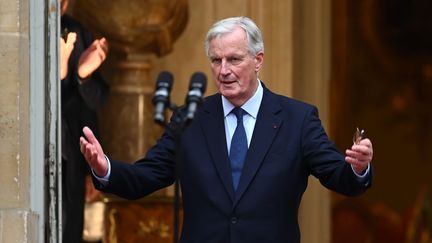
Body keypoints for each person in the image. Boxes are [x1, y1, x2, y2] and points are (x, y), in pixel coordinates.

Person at [79, 16, 373, 243]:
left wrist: (357, 168)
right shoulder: (190, 119)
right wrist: (106, 168)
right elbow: (147, 176)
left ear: (258, 61)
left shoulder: (297, 119)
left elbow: (338, 176)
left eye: (234, 59)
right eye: (216, 60)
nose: (223, 70)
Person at [60, 0, 109, 242]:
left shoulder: (76, 32)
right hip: (32, 160)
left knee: (71, 232)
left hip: (73, 162)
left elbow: (96, 102)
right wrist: (60, 74)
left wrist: (83, 75)